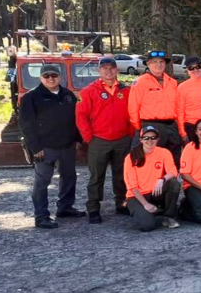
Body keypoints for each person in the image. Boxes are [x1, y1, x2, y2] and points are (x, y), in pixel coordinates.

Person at [21, 64, 84, 229]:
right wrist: (35, 148)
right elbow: (26, 125)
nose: (51, 78)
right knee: (42, 182)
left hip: (67, 145)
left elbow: (74, 120)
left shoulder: (68, 95)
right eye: (47, 76)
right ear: (41, 78)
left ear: (60, 77)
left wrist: (77, 140)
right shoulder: (31, 97)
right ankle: (41, 216)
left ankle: (65, 208)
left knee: (69, 177)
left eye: (54, 75)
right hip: (44, 147)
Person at [76, 57, 131, 224]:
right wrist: (88, 138)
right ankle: (93, 208)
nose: (108, 71)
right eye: (105, 68)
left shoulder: (126, 90)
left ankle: (121, 203)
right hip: (99, 140)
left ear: (117, 70)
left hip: (122, 139)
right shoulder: (88, 91)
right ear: (99, 71)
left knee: (121, 174)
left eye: (112, 68)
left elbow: (133, 112)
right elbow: (81, 117)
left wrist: (130, 133)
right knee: (96, 176)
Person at [123, 126, 181, 231]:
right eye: (146, 138)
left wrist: (161, 179)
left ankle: (168, 216)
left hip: (155, 191)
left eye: (153, 137)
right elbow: (131, 185)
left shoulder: (164, 152)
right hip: (136, 195)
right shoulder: (131, 157)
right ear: (141, 140)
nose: (150, 140)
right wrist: (145, 204)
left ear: (158, 139)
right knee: (147, 226)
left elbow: (174, 172)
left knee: (174, 184)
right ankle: (143, 211)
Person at [128, 50, 181, 160]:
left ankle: (170, 177)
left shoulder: (172, 82)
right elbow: (133, 107)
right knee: (150, 159)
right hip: (151, 125)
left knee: (173, 159)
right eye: (154, 62)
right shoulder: (140, 82)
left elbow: (178, 106)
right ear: (148, 64)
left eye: (161, 62)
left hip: (171, 126)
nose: (158, 64)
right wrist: (139, 128)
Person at [176, 56, 201, 143]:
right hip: (191, 125)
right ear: (187, 71)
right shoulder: (182, 87)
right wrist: (182, 132)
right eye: (191, 68)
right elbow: (179, 111)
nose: (195, 70)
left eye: (198, 67)